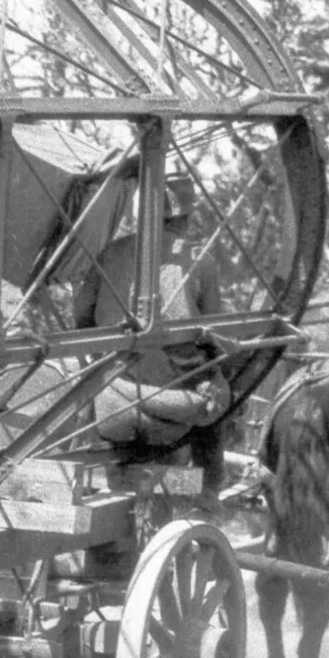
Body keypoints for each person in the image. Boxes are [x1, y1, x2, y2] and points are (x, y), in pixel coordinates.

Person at [73, 176, 231, 452]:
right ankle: (206, 486)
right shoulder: (201, 261)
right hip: (173, 410)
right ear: (185, 217)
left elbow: (81, 316)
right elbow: (216, 338)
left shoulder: (110, 253)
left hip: (112, 403)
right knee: (222, 390)